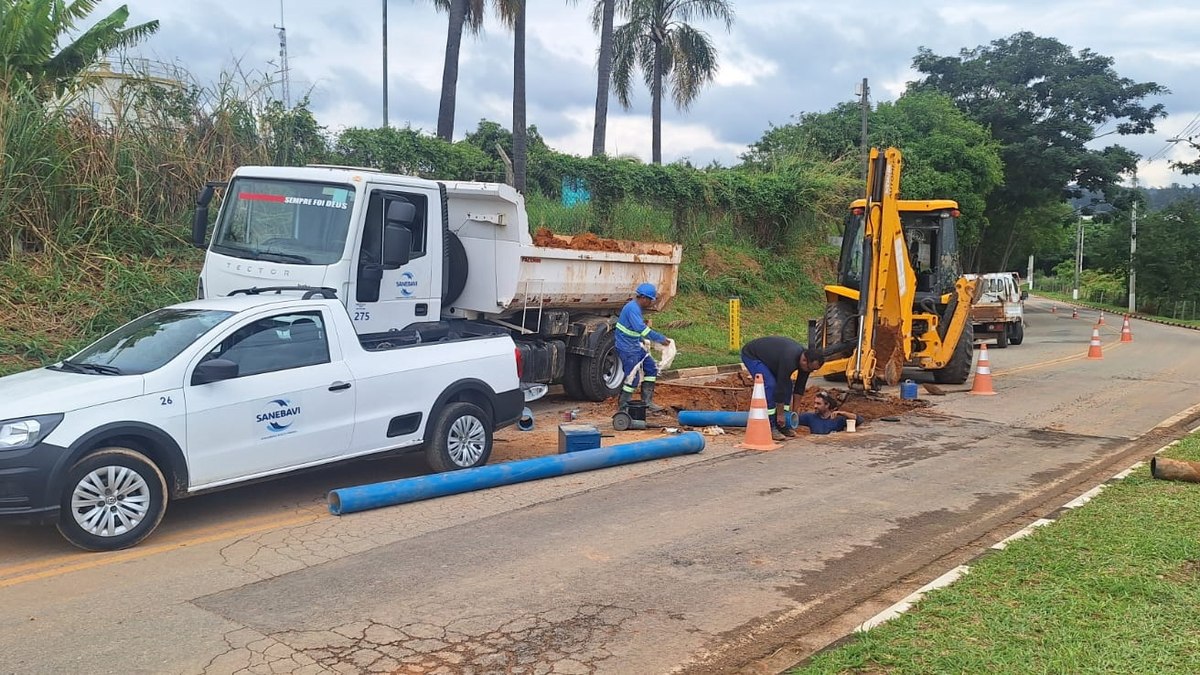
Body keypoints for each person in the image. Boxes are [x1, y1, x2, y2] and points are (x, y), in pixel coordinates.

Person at [740, 336, 825, 441]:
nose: (810, 371)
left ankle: (782, 425)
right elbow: (780, 388)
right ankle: (771, 426)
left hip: (772, 359)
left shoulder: (806, 363)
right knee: (771, 385)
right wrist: (780, 414)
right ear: (804, 360)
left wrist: (795, 412)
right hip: (753, 355)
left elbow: (799, 387)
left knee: (788, 385)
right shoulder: (789, 358)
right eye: (810, 369)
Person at [615, 283, 672, 413]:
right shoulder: (632, 309)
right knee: (632, 378)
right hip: (627, 348)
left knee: (651, 368)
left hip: (634, 345)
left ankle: (647, 402)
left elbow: (631, 330)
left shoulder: (635, 308)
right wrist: (660, 338)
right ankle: (623, 408)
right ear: (644, 298)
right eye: (651, 300)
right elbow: (641, 329)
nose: (652, 303)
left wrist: (641, 341)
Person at [796, 391, 863, 435]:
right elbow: (793, 419)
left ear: (827, 405)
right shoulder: (809, 417)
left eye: (818, 404)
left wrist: (843, 413)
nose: (815, 406)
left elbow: (860, 420)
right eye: (815, 403)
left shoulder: (838, 419)